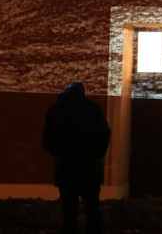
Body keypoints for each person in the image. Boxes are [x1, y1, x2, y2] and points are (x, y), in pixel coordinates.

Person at [42, 81, 111, 234]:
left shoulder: (55, 110)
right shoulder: (93, 109)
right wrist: (97, 154)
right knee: (92, 210)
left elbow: (47, 140)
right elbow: (104, 134)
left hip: (65, 168)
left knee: (69, 212)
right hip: (89, 168)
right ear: (83, 92)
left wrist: (59, 153)